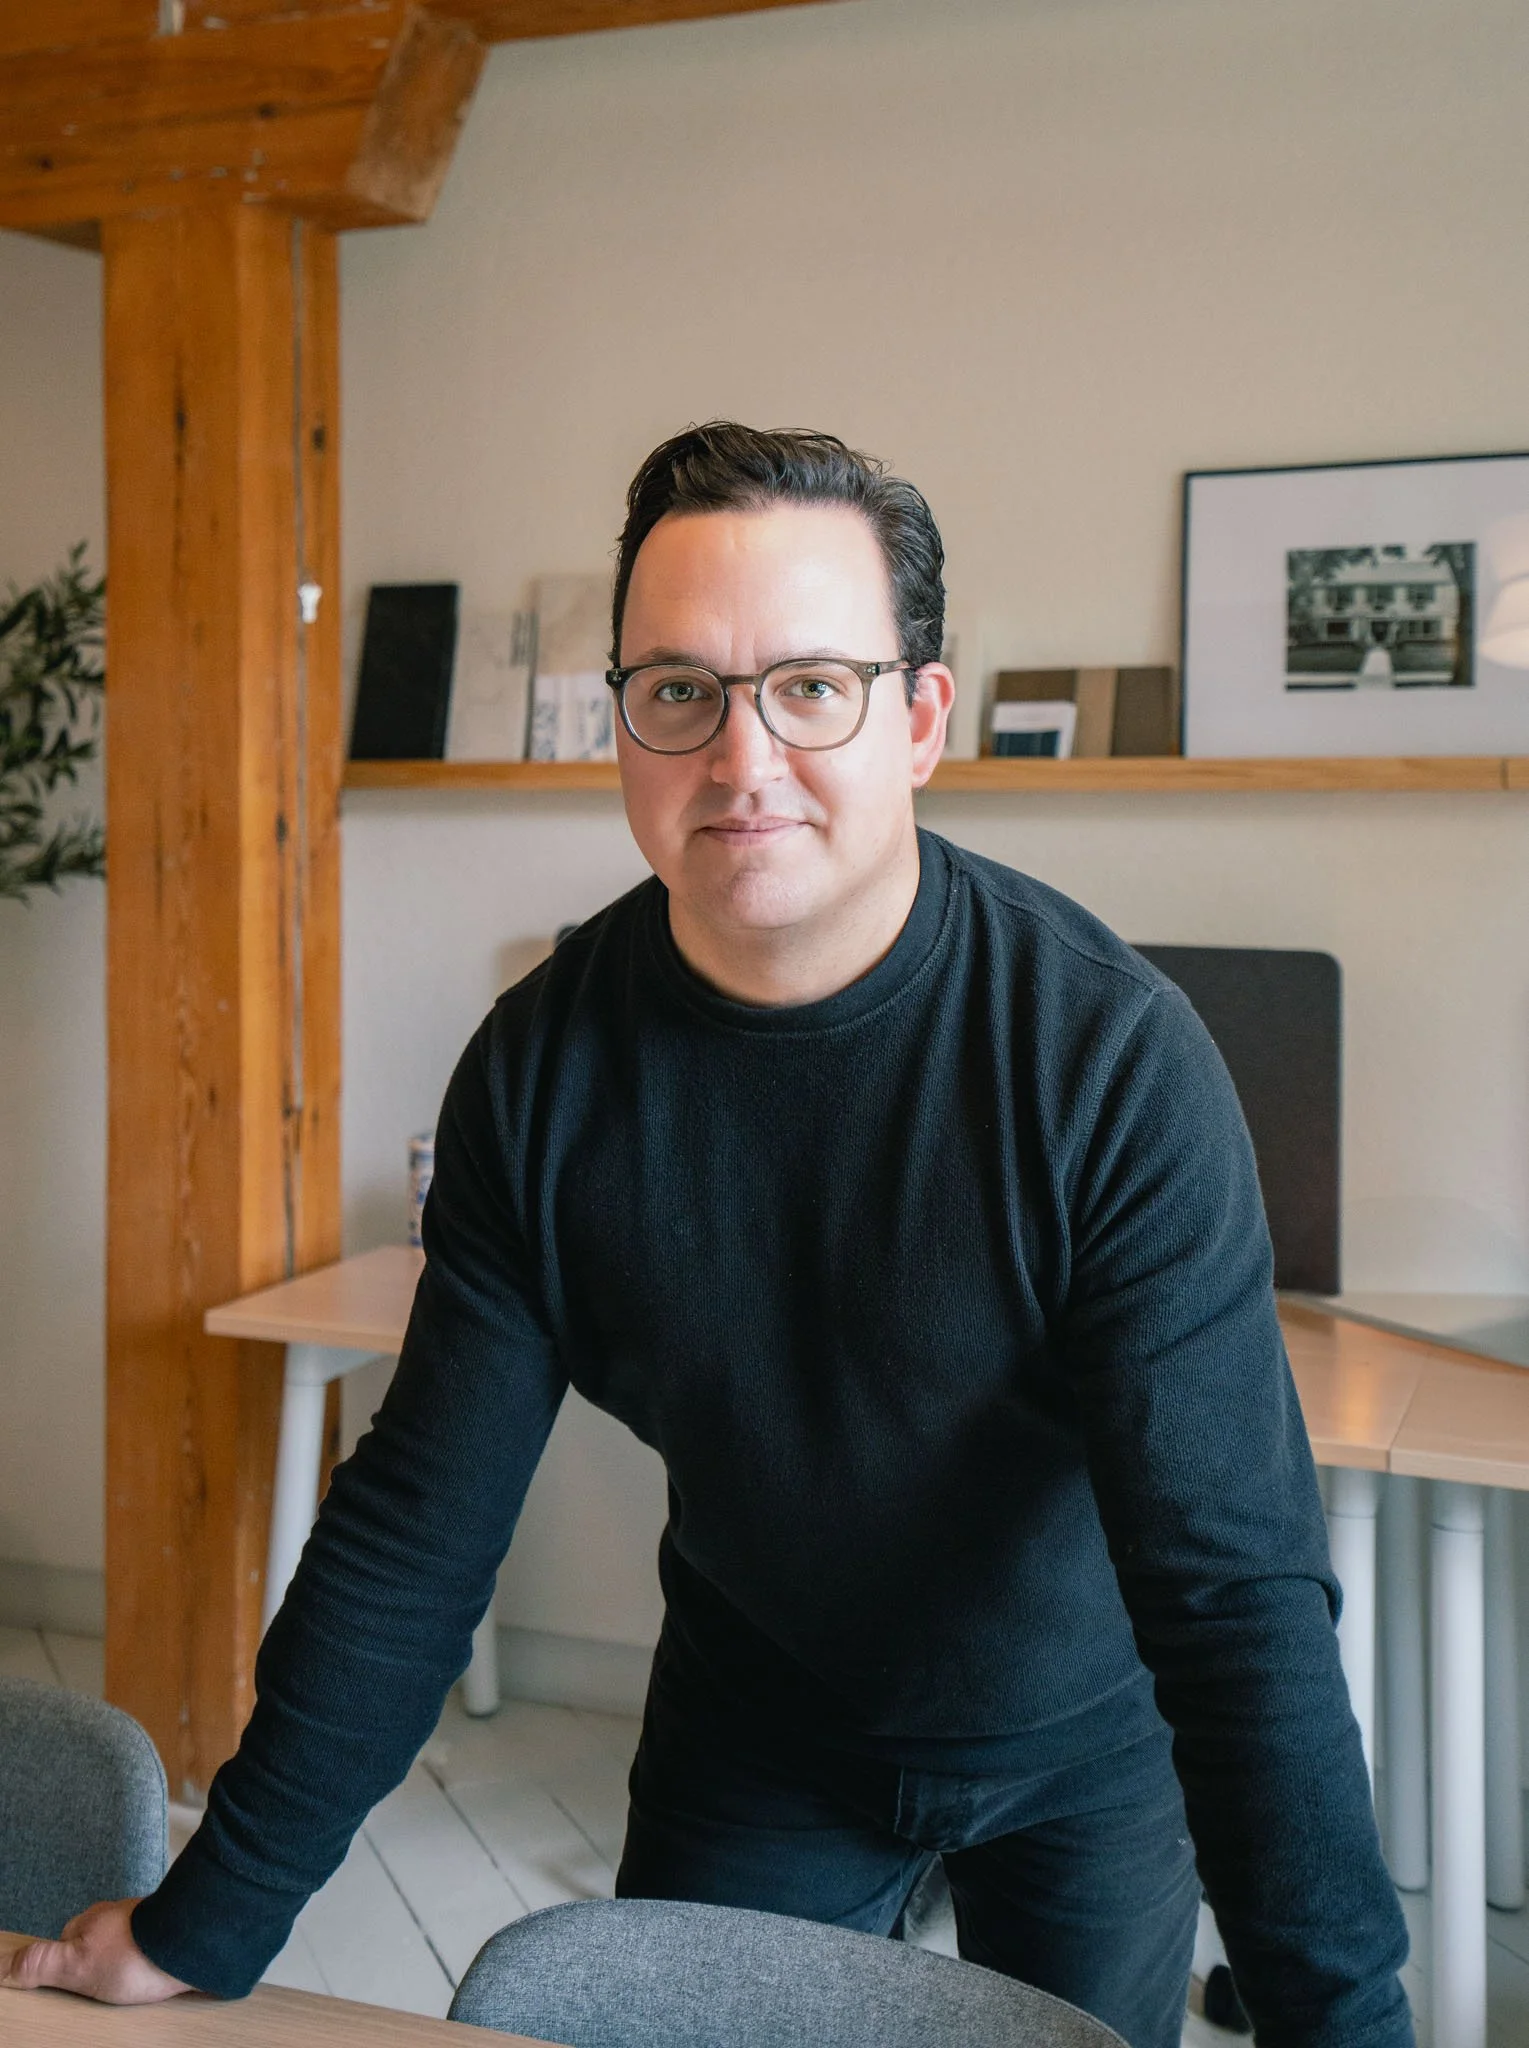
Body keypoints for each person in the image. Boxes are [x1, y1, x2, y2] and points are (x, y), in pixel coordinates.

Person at [1, 423, 1410, 2048]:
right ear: (625, 722)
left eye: (812, 687)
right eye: (680, 690)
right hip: (761, 1728)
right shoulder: (543, 1070)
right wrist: (214, 1914)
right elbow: (417, 1532)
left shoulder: (1108, 1062)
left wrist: (1343, 2027)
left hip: (1086, 1744)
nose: (742, 760)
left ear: (922, 721)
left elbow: (1236, 1602)